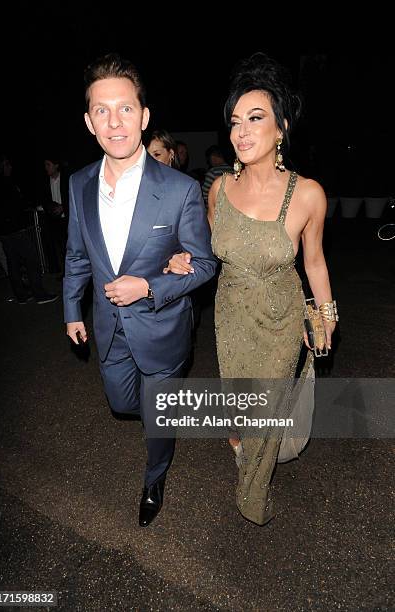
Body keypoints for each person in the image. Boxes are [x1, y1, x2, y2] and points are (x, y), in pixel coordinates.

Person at [164, 52, 338, 525]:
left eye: (255, 119)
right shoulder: (219, 189)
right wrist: (181, 257)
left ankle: (252, 494)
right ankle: (244, 451)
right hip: (230, 315)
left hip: (280, 318)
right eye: (236, 122)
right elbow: (206, 249)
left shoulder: (306, 194)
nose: (241, 131)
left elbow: (315, 263)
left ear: (280, 128)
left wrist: (324, 318)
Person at [63, 53, 217, 527]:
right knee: (122, 403)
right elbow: (76, 256)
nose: (115, 122)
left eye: (126, 109)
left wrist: (151, 285)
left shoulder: (178, 189)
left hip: (162, 330)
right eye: (102, 110)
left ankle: (155, 478)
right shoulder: (79, 184)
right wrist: (71, 309)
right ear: (89, 121)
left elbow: (206, 264)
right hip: (108, 328)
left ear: (144, 117)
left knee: (158, 420)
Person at [0, 152, 58, 305]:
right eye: (7, 164)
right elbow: (16, 205)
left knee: (12, 262)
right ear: (1, 166)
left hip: (2, 231)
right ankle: (39, 294)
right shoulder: (4, 182)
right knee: (31, 259)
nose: (10, 167)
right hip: (14, 228)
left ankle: (21, 295)